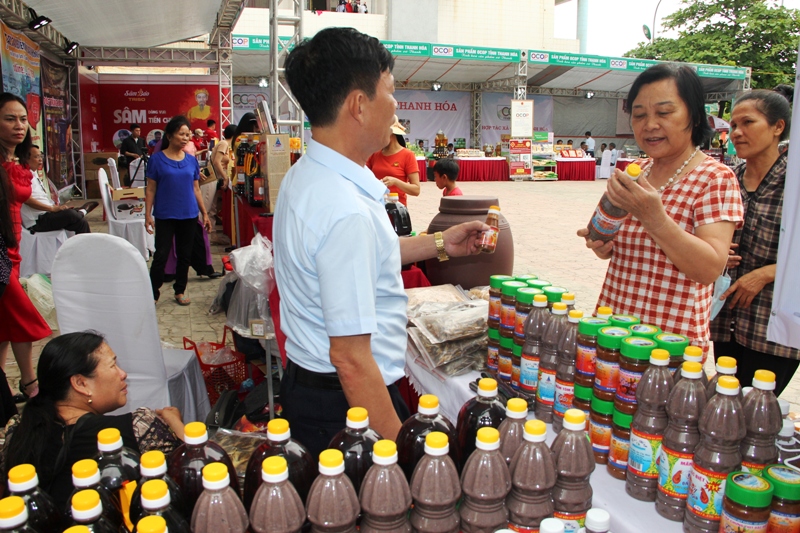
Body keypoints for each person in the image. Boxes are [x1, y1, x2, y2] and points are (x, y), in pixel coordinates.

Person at [275, 27, 488, 456]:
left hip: (323, 392)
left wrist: (440, 243)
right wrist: (408, 453)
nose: (395, 107)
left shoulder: (313, 175)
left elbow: (364, 258)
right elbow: (351, 359)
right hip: (348, 403)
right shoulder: (343, 208)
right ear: (358, 104)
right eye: (390, 92)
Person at [577, 64, 743, 355]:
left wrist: (654, 218)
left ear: (692, 115)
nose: (649, 124)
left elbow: (709, 269)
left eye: (664, 113)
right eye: (639, 115)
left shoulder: (715, 177)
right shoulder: (634, 171)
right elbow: (614, 241)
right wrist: (602, 246)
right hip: (614, 328)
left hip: (669, 344)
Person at [2, 332, 184, 510]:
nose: (123, 374)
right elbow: (193, 475)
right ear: (80, 384)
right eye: (113, 366)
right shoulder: (140, 429)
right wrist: (176, 425)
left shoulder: (18, 429)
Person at [710, 90, 798, 395]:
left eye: (748, 122)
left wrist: (765, 273)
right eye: (733, 125)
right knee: (726, 401)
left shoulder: (795, 182)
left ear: (778, 127)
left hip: (774, 323)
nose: (737, 132)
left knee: (756, 407)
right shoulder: (728, 179)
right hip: (726, 315)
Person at [0, 93, 51, 401]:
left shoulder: (14, 161)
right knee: (20, 314)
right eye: (9, 119)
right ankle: (31, 384)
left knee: (5, 321)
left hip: (12, 248)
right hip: (0, 253)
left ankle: (8, 386)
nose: (19, 126)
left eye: (22, 119)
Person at [145, 115, 211, 306]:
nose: (185, 138)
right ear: (169, 135)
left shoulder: (191, 161)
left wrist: (204, 213)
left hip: (189, 213)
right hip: (165, 214)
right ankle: (153, 292)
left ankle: (179, 291)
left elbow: (196, 188)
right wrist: (147, 214)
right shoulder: (156, 160)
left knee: (185, 255)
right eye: (181, 134)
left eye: (188, 135)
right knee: (161, 255)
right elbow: (150, 188)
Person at [21, 146, 97, 235]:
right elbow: (26, 199)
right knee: (71, 215)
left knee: (81, 223)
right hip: (37, 220)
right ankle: (80, 211)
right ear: (26, 159)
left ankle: (84, 248)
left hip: (47, 213)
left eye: (41, 156)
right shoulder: (22, 175)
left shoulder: (33, 173)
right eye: (36, 157)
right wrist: (52, 208)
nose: (40, 160)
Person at [367, 116, 420, 206]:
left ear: (391, 133)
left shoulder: (407, 155)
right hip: (377, 207)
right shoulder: (374, 154)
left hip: (396, 208)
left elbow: (416, 190)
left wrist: (396, 182)